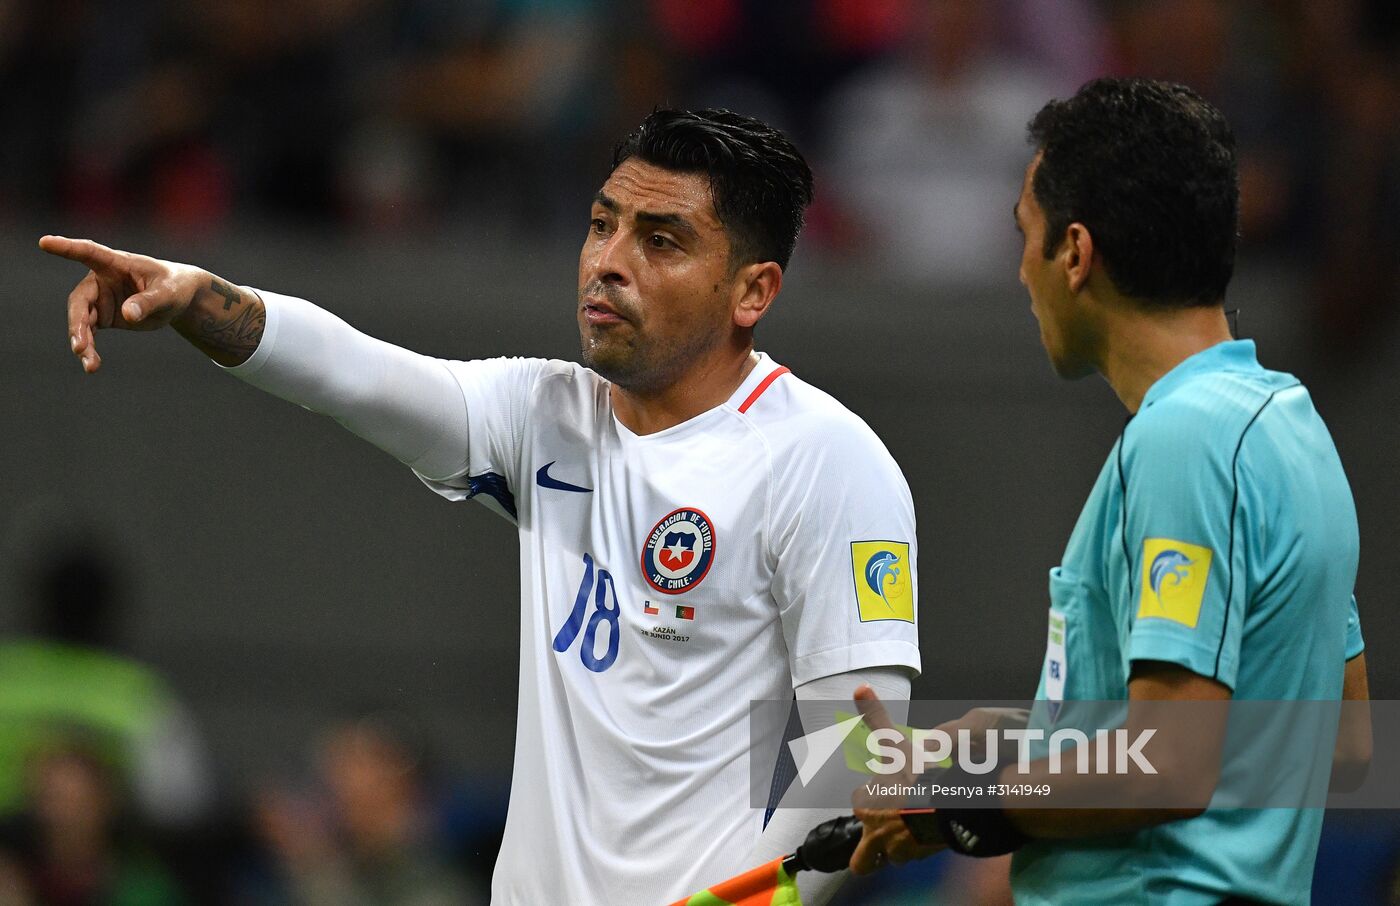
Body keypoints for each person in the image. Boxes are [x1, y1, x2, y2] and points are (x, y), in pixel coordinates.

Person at [42, 108, 921, 905]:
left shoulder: (826, 460)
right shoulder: (546, 415)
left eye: (661, 241)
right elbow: (355, 373)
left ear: (752, 291)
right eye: (602, 224)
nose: (608, 262)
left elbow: (856, 761)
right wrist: (194, 296)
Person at [848, 77, 1368, 904]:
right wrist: (1009, 744)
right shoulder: (1291, 429)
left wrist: (959, 805)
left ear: (1075, 253)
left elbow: (1169, 765)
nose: (1022, 271)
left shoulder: (1183, 441)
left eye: (1025, 235)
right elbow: (1339, 740)